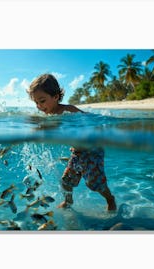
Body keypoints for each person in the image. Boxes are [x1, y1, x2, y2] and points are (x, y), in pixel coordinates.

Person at [27, 73, 117, 211]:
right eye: (36, 103)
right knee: (66, 182)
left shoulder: (68, 110)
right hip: (77, 153)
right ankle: (68, 202)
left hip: (92, 150)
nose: (39, 106)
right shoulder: (49, 115)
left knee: (94, 184)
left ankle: (110, 199)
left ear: (56, 97)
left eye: (42, 101)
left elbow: (90, 120)